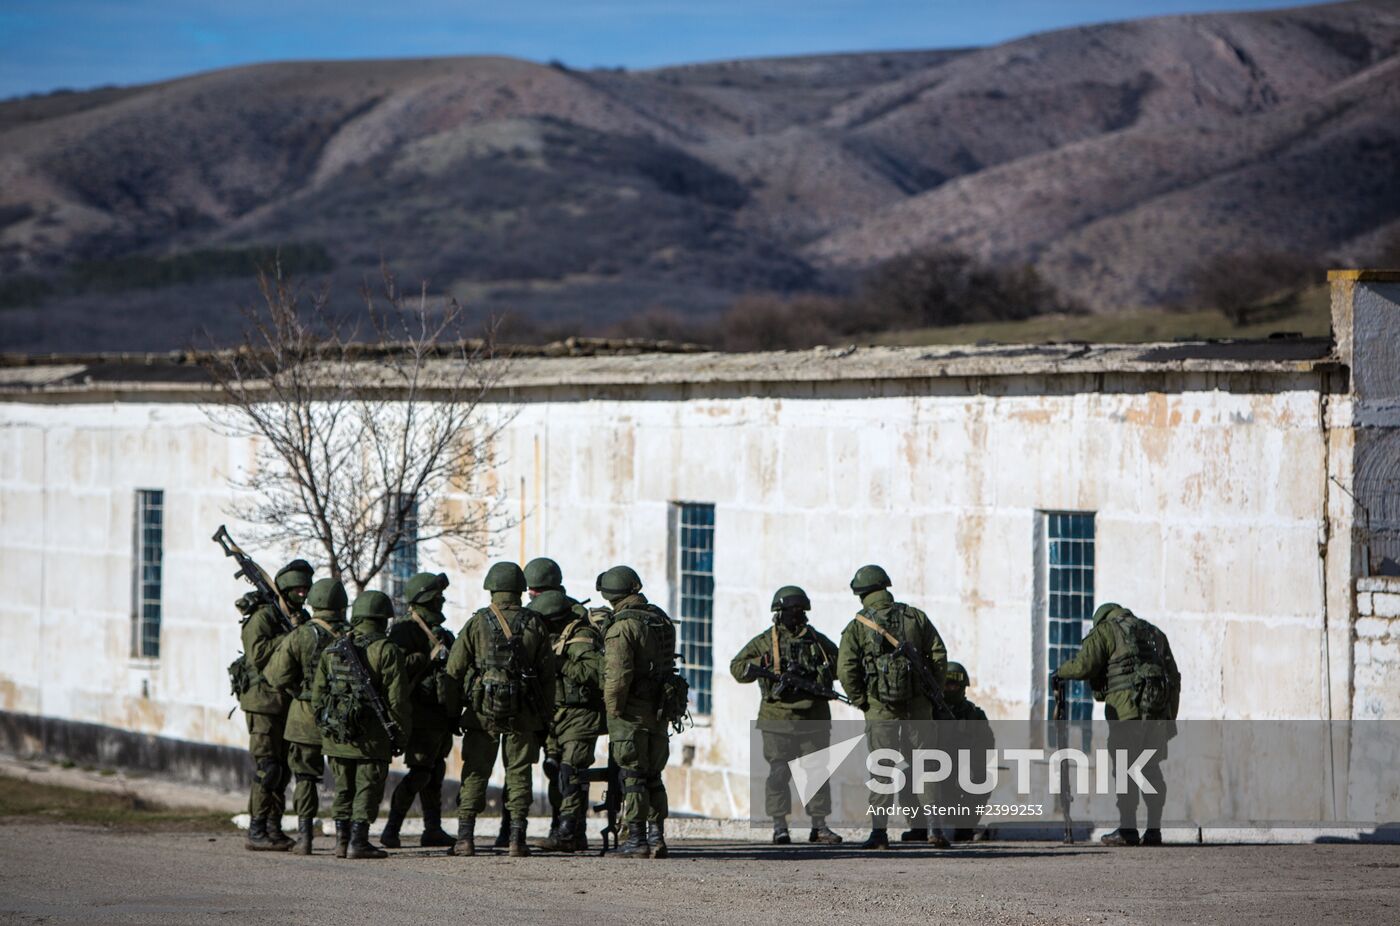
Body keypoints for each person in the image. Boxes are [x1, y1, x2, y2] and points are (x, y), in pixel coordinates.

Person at [444, 561, 555, 857]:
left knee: (475, 771)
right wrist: (545, 716)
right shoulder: (534, 623)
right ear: (520, 589)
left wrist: (453, 713)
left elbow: (454, 670)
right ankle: (517, 839)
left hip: (482, 712)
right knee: (519, 773)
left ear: (492, 588)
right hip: (524, 713)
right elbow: (547, 676)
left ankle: (465, 839)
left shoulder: (477, 623)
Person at [836, 564, 949, 850]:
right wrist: (931, 692)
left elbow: (846, 668)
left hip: (880, 708)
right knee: (926, 765)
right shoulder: (915, 617)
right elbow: (938, 654)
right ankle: (934, 829)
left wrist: (862, 700)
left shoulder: (857, 626)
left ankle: (879, 834)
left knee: (882, 768)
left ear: (862, 594)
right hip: (919, 707)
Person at [1052, 602, 1180, 847]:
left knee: (1125, 767)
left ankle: (1128, 829)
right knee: (1149, 768)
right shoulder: (1154, 632)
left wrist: (1060, 672)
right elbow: (1173, 678)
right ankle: (1154, 830)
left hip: (1126, 712)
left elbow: (1084, 665)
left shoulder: (1106, 630)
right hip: (1156, 712)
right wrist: (1169, 718)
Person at [730, 585, 844, 845]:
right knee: (779, 773)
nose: (797, 615)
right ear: (779, 612)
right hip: (777, 719)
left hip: (813, 718)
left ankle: (819, 826)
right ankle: (779, 826)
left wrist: (819, 672)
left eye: (800, 611)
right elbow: (737, 668)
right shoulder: (765, 642)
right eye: (792, 610)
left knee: (817, 773)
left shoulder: (816, 641)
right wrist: (763, 664)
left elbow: (842, 667)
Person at [311, 590, 411, 860]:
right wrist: (400, 736)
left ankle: (341, 842)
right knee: (368, 787)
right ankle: (359, 841)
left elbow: (318, 696)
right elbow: (398, 701)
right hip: (372, 737)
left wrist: (329, 728)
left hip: (338, 736)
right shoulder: (387, 650)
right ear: (384, 619)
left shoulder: (333, 648)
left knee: (343, 788)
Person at [599, 565, 680, 859]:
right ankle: (657, 837)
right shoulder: (661, 619)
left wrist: (613, 710)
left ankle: (636, 839)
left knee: (633, 774)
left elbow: (617, 677)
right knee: (653, 775)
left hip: (631, 711)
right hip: (659, 708)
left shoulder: (622, 628)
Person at [262, 577, 348, 855]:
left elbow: (276, 676)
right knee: (345, 779)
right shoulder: (352, 635)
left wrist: (298, 689)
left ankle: (305, 838)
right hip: (344, 717)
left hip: (305, 715)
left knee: (305, 778)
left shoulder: (301, 635)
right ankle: (344, 840)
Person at [233, 558, 313, 852]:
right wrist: (291, 636)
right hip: (262, 702)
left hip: (286, 701)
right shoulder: (263, 617)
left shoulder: (299, 616)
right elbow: (258, 655)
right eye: (298, 589)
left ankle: (273, 828)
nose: (303, 594)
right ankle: (256, 830)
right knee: (267, 768)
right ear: (287, 589)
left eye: (306, 589)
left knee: (283, 769)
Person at [380, 572, 459, 850]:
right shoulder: (405, 630)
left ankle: (432, 828)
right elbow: (394, 669)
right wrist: (424, 657)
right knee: (421, 772)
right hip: (420, 714)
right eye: (437, 598)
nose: (442, 601)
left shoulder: (441, 633)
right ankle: (391, 829)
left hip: (440, 714)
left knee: (435, 772)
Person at [528, 589, 606, 852]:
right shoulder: (551, 637)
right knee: (557, 773)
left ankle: (567, 832)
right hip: (556, 714)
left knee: (571, 772)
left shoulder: (581, 638)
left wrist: (561, 665)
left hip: (581, 714)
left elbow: (595, 673)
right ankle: (570, 830)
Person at [941, 661, 995, 842]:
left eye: (954, 685)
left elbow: (986, 745)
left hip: (962, 768)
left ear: (962, 687)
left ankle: (964, 827)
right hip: (934, 768)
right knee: (909, 775)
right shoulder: (930, 712)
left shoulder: (974, 714)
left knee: (982, 778)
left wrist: (971, 765)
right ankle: (919, 827)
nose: (950, 689)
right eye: (947, 685)